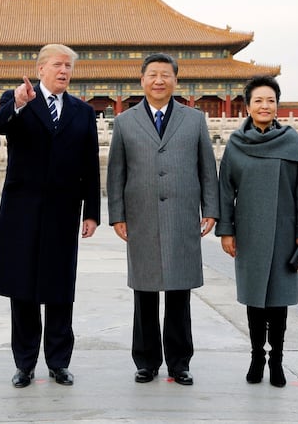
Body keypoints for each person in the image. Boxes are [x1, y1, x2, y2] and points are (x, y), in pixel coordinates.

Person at [0, 43, 101, 388]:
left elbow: (90, 165)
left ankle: (58, 362)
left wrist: (92, 212)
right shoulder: (19, 98)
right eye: (57, 65)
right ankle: (24, 364)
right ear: (40, 70)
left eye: (68, 66)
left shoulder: (82, 112)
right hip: (22, 211)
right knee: (22, 289)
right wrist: (20, 105)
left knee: (58, 289)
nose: (64, 71)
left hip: (63, 212)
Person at [106, 53, 219, 386]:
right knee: (144, 292)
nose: (159, 80)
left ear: (175, 81)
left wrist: (210, 208)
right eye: (152, 75)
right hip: (141, 216)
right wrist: (117, 215)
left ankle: (179, 362)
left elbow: (206, 168)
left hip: (182, 215)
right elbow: (116, 173)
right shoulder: (126, 121)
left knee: (179, 292)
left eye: (165, 75)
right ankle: (146, 361)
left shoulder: (194, 119)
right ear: (141, 81)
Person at [216, 75, 298, 387]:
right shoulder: (235, 145)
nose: (264, 106)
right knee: (254, 300)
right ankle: (257, 356)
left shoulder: (292, 142)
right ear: (247, 106)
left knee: (279, 301)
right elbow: (225, 191)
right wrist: (227, 231)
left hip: (286, 232)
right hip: (249, 233)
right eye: (258, 100)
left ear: (277, 106)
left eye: (270, 101)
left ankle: (277, 360)